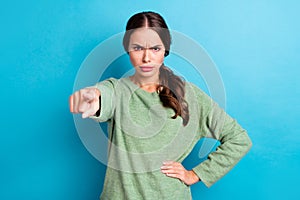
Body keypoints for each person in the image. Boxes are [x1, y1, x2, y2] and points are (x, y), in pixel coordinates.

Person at [69, 11, 252, 200]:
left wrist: (195, 174)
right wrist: (92, 97)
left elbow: (239, 139)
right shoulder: (117, 90)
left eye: (155, 48)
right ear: (127, 50)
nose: (146, 58)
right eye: (138, 48)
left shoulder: (190, 95)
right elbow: (102, 96)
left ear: (166, 50)